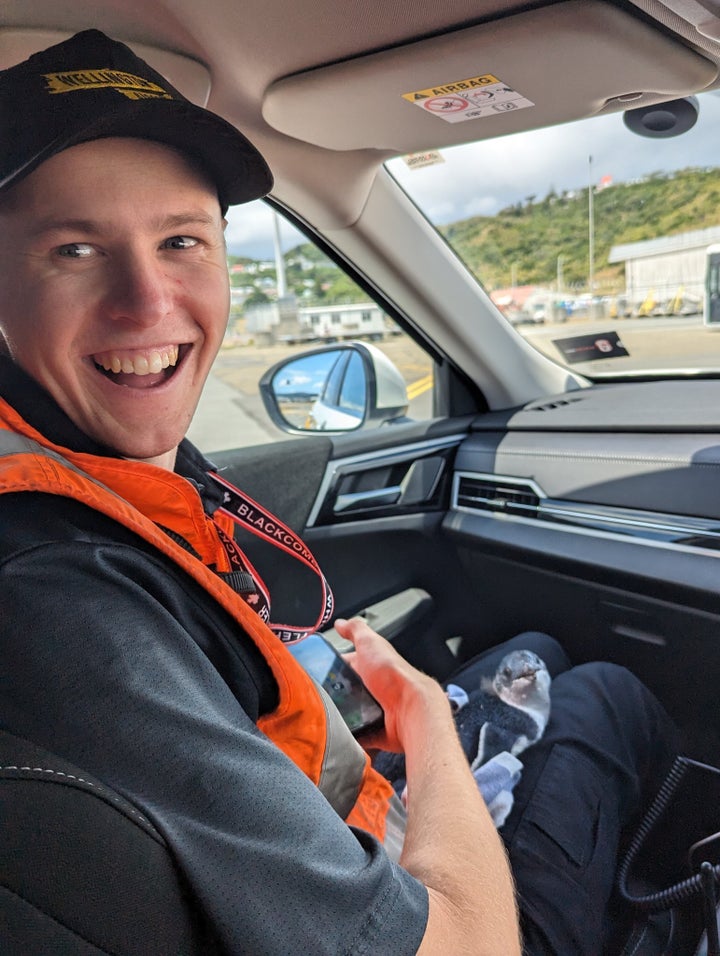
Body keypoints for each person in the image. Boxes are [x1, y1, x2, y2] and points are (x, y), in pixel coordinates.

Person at [0, 29, 677, 955]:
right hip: (437, 912)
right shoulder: (58, 592)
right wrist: (429, 725)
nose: (148, 303)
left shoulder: (78, 459)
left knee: (536, 646)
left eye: (182, 240)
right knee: (608, 694)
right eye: (74, 250)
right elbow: (466, 946)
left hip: (341, 821)